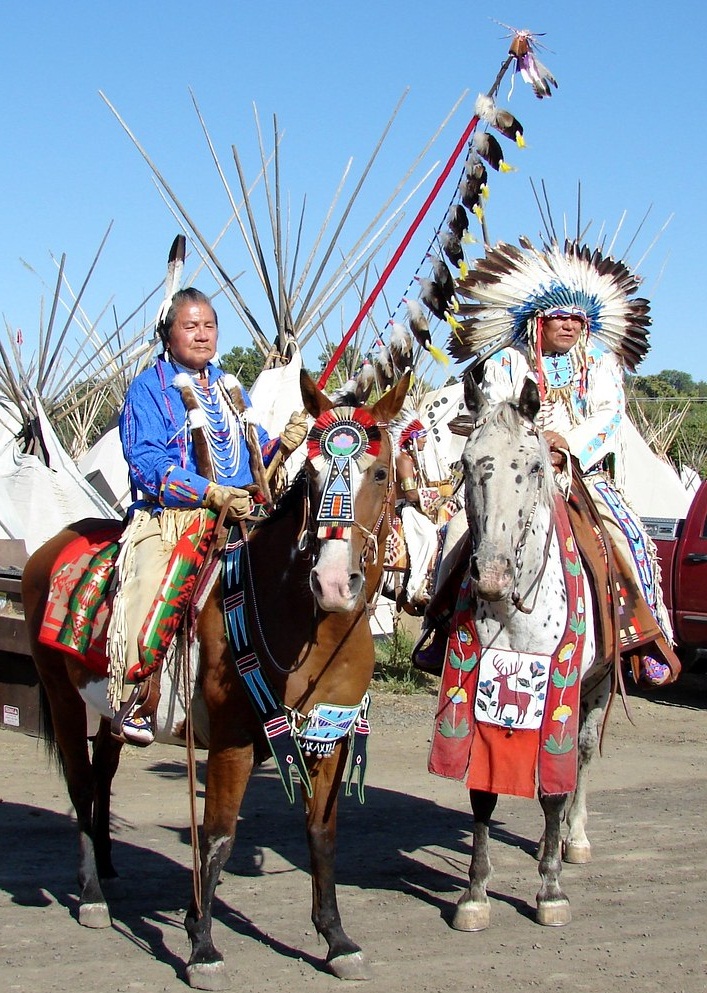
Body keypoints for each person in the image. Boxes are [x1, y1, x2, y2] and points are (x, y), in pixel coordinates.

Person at [416, 237, 679, 687]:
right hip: (513, 475)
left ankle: (644, 638)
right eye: (560, 316)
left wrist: (567, 444)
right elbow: (494, 415)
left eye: (578, 318)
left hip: (581, 475)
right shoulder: (507, 361)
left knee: (625, 533)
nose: (570, 324)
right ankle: (439, 629)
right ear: (538, 319)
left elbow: (609, 414)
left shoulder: (600, 362)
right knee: (458, 529)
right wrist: (534, 443)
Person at [109, 287, 308, 744]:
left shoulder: (229, 387)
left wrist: (283, 443)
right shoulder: (149, 389)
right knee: (156, 580)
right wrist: (209, 492)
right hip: (172, 517)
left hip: (242, 512)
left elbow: (253, 452)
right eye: (190, 326)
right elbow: (146, 462)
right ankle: (138, 692)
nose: (202, 335)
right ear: (169, 334)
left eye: (209, 326)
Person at [393, 417, 439, 613]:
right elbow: (411, 494)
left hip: (412, 506)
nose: (426, 440)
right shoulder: (403, 460)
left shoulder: (412, 459)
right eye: (423, 436)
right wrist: (437, 495)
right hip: (405, 507)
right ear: (412, 438)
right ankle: (415, 588)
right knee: (428, 536)